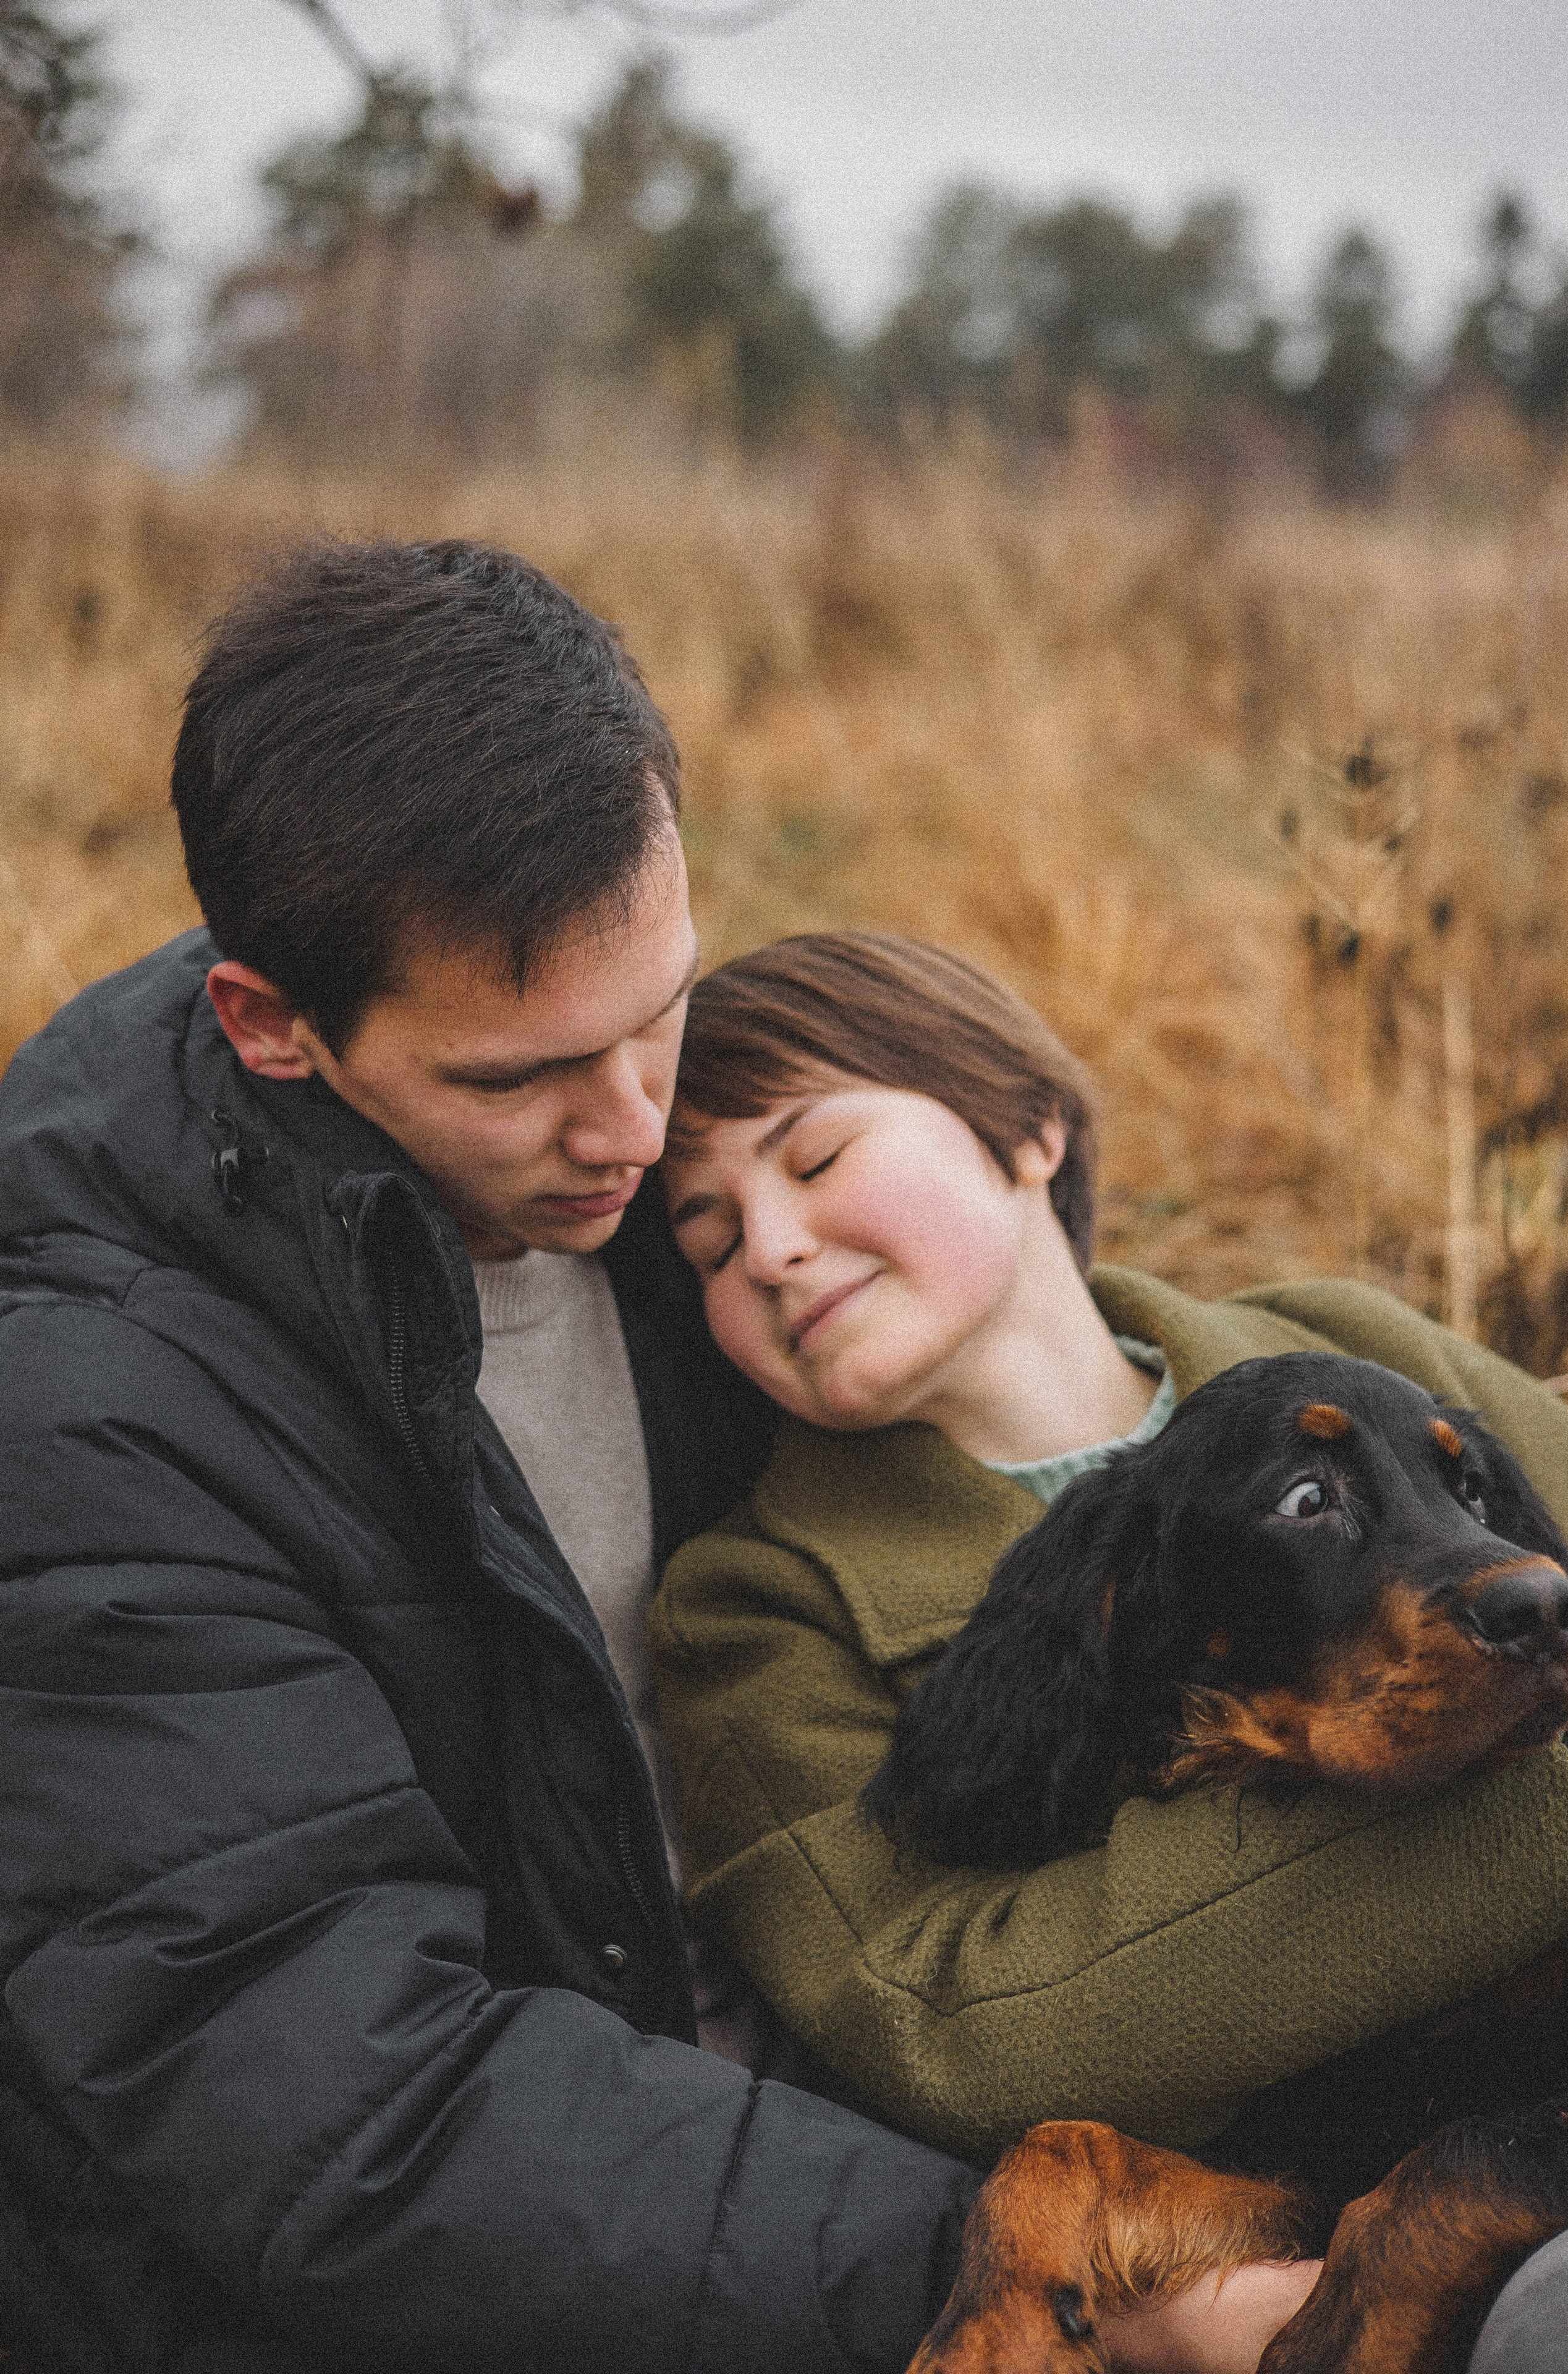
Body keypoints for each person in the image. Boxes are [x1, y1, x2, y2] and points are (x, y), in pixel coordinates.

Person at [0, 543, 994, 2374]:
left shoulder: (725, 1171)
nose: (634, 1130)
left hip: (868, 2128)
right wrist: (1008, 2271)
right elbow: (335, 2105)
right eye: (513, 1078)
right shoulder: (82, 1417)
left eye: (659, 1012)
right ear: (270, 1029)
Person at [650, 930, 1568, 2176]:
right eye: (708, 1241)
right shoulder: (754, 1610)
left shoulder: (1350, 1341)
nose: (766, 1248)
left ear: (1029, 1127)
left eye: (814, 1156)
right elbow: (950, 2036)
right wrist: (1506, 1793)